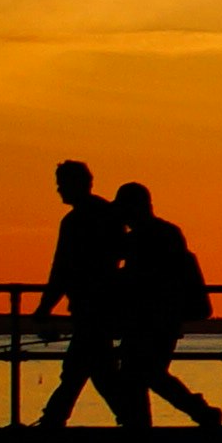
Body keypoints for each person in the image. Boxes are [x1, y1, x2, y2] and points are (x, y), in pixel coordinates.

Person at [105, 178, 222, 426]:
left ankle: (194, 412)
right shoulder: (165, 232)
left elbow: (134, 274)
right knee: (143, 373)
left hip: (153, 317)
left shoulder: (145, 237)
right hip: (163, 317)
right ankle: (186, 414)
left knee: (142, 372)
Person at [23, 158, 138, 428]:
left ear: (76, 184)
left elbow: (62, 268)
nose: (59, 190)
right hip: (106, 304)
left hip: (89, 305)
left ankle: (54, 420)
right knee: (97, 370)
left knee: (82, 369)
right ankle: (130, 418)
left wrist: (44, 307)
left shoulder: (75, 221)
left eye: (61, 184)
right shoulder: (109, 215)